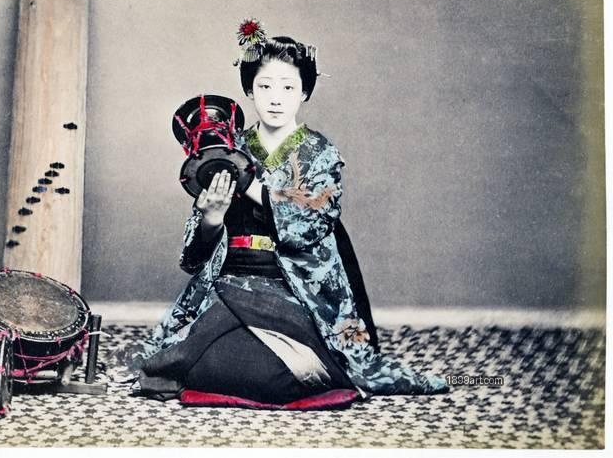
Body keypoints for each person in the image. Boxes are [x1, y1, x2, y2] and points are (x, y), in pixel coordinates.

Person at [128, 20, 447, 408]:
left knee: (268, 375)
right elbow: (193, 258)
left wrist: (247, 184)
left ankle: (294, 363)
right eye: (264, 87)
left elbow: (313, 223)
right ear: (249, 90)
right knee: (210, 366)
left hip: (293, 287)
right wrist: (210, 216)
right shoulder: (227, 148)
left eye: (288, 87)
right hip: (230, 281)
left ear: (305, 92)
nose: (275, 98)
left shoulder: (320, 152)